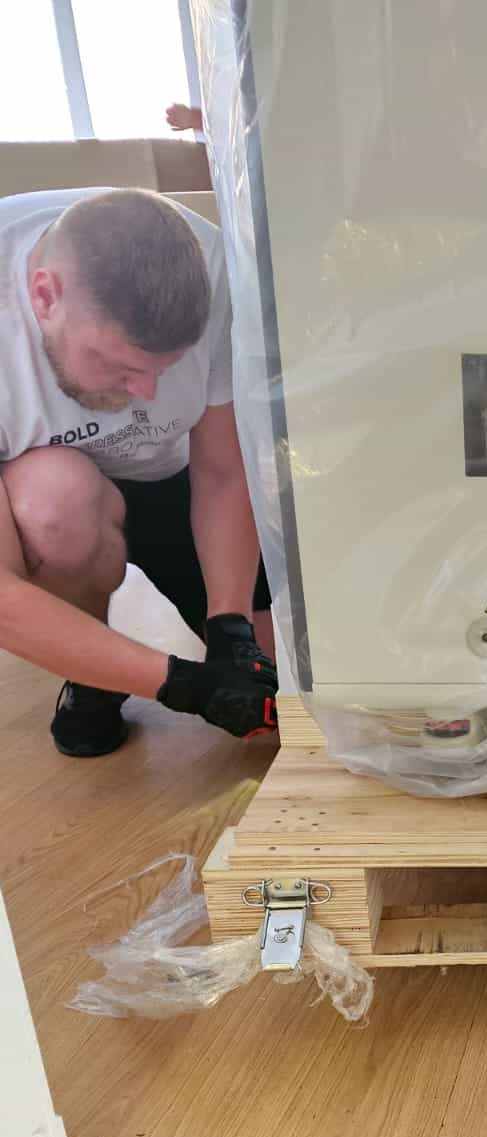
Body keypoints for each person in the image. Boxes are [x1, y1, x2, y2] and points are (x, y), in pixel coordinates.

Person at [0, 187, 277, 756]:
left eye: (166, 368)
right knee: (54, 497)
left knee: (290, 691)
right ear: (45, 297)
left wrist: (230, 627)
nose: (147, 393)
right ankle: (93, 674)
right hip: (50, 502)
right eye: (121, 365)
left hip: (176, 476)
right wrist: (179, 686)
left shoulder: (214, 268)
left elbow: (224, 470)